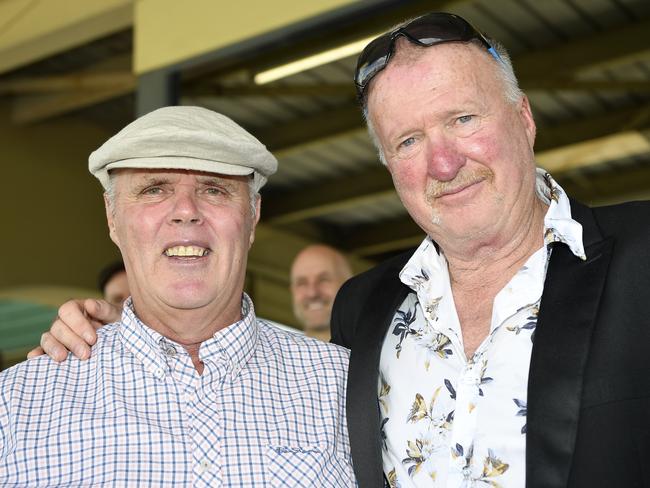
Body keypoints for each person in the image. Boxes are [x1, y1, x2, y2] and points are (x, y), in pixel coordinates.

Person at [28, 12, 650, 488]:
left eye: (463, 119)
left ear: (524, 119)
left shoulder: (641, 259)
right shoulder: (366, 313)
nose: (443, 160)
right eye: (408, 140)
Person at [0, 106, 355, 486]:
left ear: (252, 217)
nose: (186, 211)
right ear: (112, 217)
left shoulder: (346, 386)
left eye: (214, 189)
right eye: (154, 189)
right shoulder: (17, 405)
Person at [290, 244, 353, 341]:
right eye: (302, 283)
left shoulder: (380, 352)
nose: (312, 293)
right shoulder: (277, 354)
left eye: (323, 280)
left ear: (349, 286)